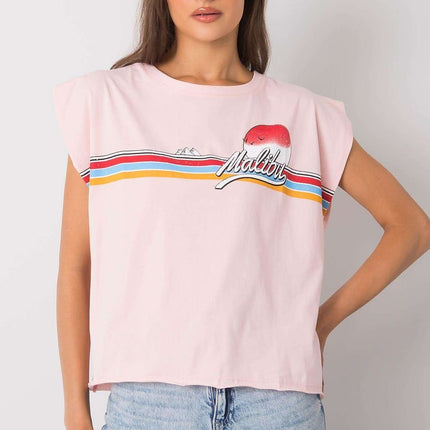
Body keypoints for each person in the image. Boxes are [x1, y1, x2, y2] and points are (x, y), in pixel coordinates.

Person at [53, 1, 430, 429]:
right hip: (150, 404)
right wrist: (75, 410)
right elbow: (75, 267)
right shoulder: (105, 102)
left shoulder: (304, 115)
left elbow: (411, 227)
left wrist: (322, 322)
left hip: (277, 404)